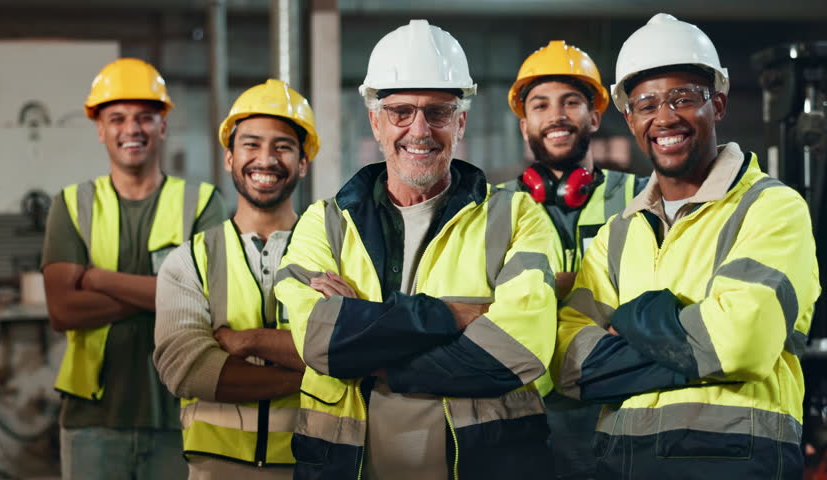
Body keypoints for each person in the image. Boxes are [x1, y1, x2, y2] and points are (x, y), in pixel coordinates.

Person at [273, 19, 561, 480]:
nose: (420, 130)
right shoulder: (324, 223)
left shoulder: (517, 218)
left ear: (461, 121)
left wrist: (370, 346)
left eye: (439, 112)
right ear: (375, 121)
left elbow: (517, 349)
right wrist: (456, 315)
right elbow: (321, 342)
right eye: (401, 112)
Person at [553, 13, 820, 479]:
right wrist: (695, 340)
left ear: (717, 104)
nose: (665, 117)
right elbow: (570, 365)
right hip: (622, 463)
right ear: (630, 119)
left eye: (683, 98)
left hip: (735, 460)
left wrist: (631, 317)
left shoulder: (771, 207)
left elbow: (743, 342)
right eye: (646, 104)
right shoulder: (618, 233)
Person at [41, 58, 228, 480]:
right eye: (117, 118)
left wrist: (97, 279)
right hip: (92, 420)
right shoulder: (71, 204)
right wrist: (170, 294)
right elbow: (63, 310)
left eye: (145, 117)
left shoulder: (201, 202)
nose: (132, 129)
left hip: (181, 417)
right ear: (100, 129)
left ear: (162, 126)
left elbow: (210, 302)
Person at [153, 79, 317, 479]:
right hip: (216, 469)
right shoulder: (190, 260)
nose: (266, 158)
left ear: (302, 163)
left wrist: (246, 342)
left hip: (313, 464)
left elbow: (356, 354)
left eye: (283, 146)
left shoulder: (333, 253)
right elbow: (188, 370)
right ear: (229, 158)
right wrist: (311, 375)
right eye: (251, 144)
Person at [503, 41, 642, 479]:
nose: (556, 116)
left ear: (595, 116)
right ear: (525, 126)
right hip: (524, 408)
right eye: (540, 105)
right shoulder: (494, 208)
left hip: (616, 406)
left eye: (571, 102)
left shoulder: (640, 197)